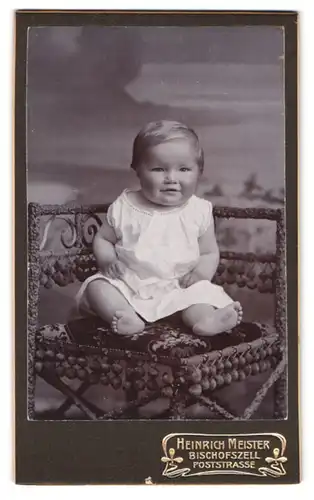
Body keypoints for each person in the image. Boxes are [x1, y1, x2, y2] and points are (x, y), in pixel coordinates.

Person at [76, 120, 243, 336]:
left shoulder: (198, 210)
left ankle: (206, 321)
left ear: (199, 171)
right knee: (97, 287)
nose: (171, 179)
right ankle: (125, 316)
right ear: (137, 170)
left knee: (200, 296)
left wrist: (201, 273)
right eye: (158, 169)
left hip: (179, 287)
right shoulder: (125, 206)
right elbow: (104, 239)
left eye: (183, 169)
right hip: (130, 285)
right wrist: (108, 260)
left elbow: (209, 251)